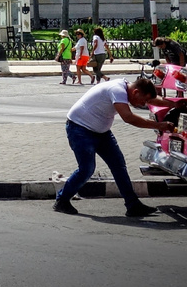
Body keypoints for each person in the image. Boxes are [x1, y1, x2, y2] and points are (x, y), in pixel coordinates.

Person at [53, 74, 171, 218]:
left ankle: (132, 205)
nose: (143, 104)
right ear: (135, 92)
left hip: (101, 132)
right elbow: (128, 118)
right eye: (143, 100)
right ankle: (62, 200)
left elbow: (153, 99)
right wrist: (159, 125)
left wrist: (175, 104)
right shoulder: (117, 90)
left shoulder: (128, 88)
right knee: (87, 169)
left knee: (118, 165)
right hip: (80, 129)